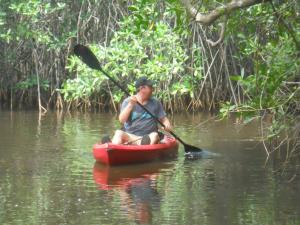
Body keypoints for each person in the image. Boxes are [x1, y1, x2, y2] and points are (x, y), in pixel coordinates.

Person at [108, 76, 172, 145]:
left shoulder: (155, 102)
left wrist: (167, 124)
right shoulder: (128, 101)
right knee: (118, 133)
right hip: (131, 137)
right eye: (150, 87)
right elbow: (121, 120)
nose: (153, 89)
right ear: (142, 88)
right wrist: (130, 105)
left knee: (154, 135)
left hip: (149, 137)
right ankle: (114, 149)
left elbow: (164, 119)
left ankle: (145, 147)